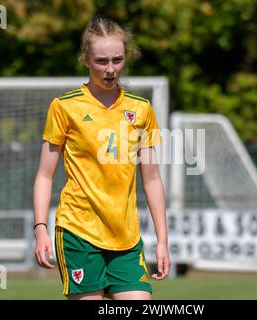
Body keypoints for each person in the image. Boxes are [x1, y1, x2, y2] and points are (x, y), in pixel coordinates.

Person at [33, 16, 170, 300]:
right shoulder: (64, 107)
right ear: (85, 59)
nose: (110, 69)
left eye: (117, 60)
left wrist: (162, 240)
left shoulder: (141, 109)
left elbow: (152, 178)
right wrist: (40, 229)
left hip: (126, 238)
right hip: (79, 232)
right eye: (101, 61)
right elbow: (45, 175)